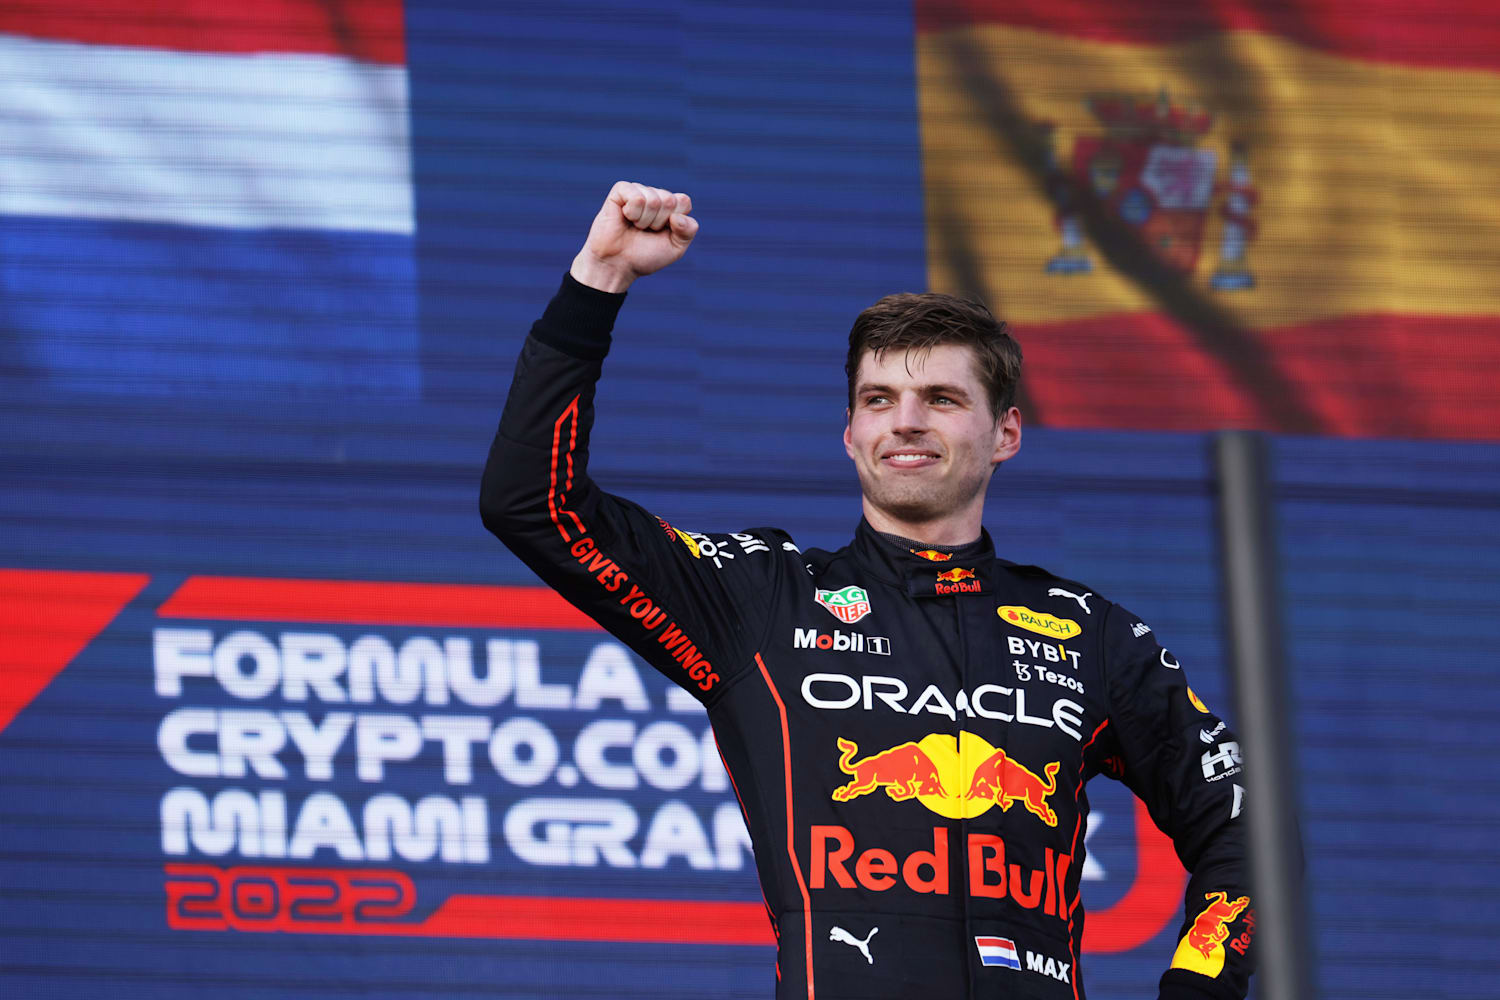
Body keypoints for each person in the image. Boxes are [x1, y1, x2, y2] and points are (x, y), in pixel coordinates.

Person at [481, 181, 1254, 1000]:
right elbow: (533, 501)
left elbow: (1245, 829)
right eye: (879, 400)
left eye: (942, 399)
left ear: (1005, 435)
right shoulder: (762, 598)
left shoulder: (1090, 635)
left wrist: (1199, 992)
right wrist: (599, 275)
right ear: (851, 434)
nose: (906, 421)